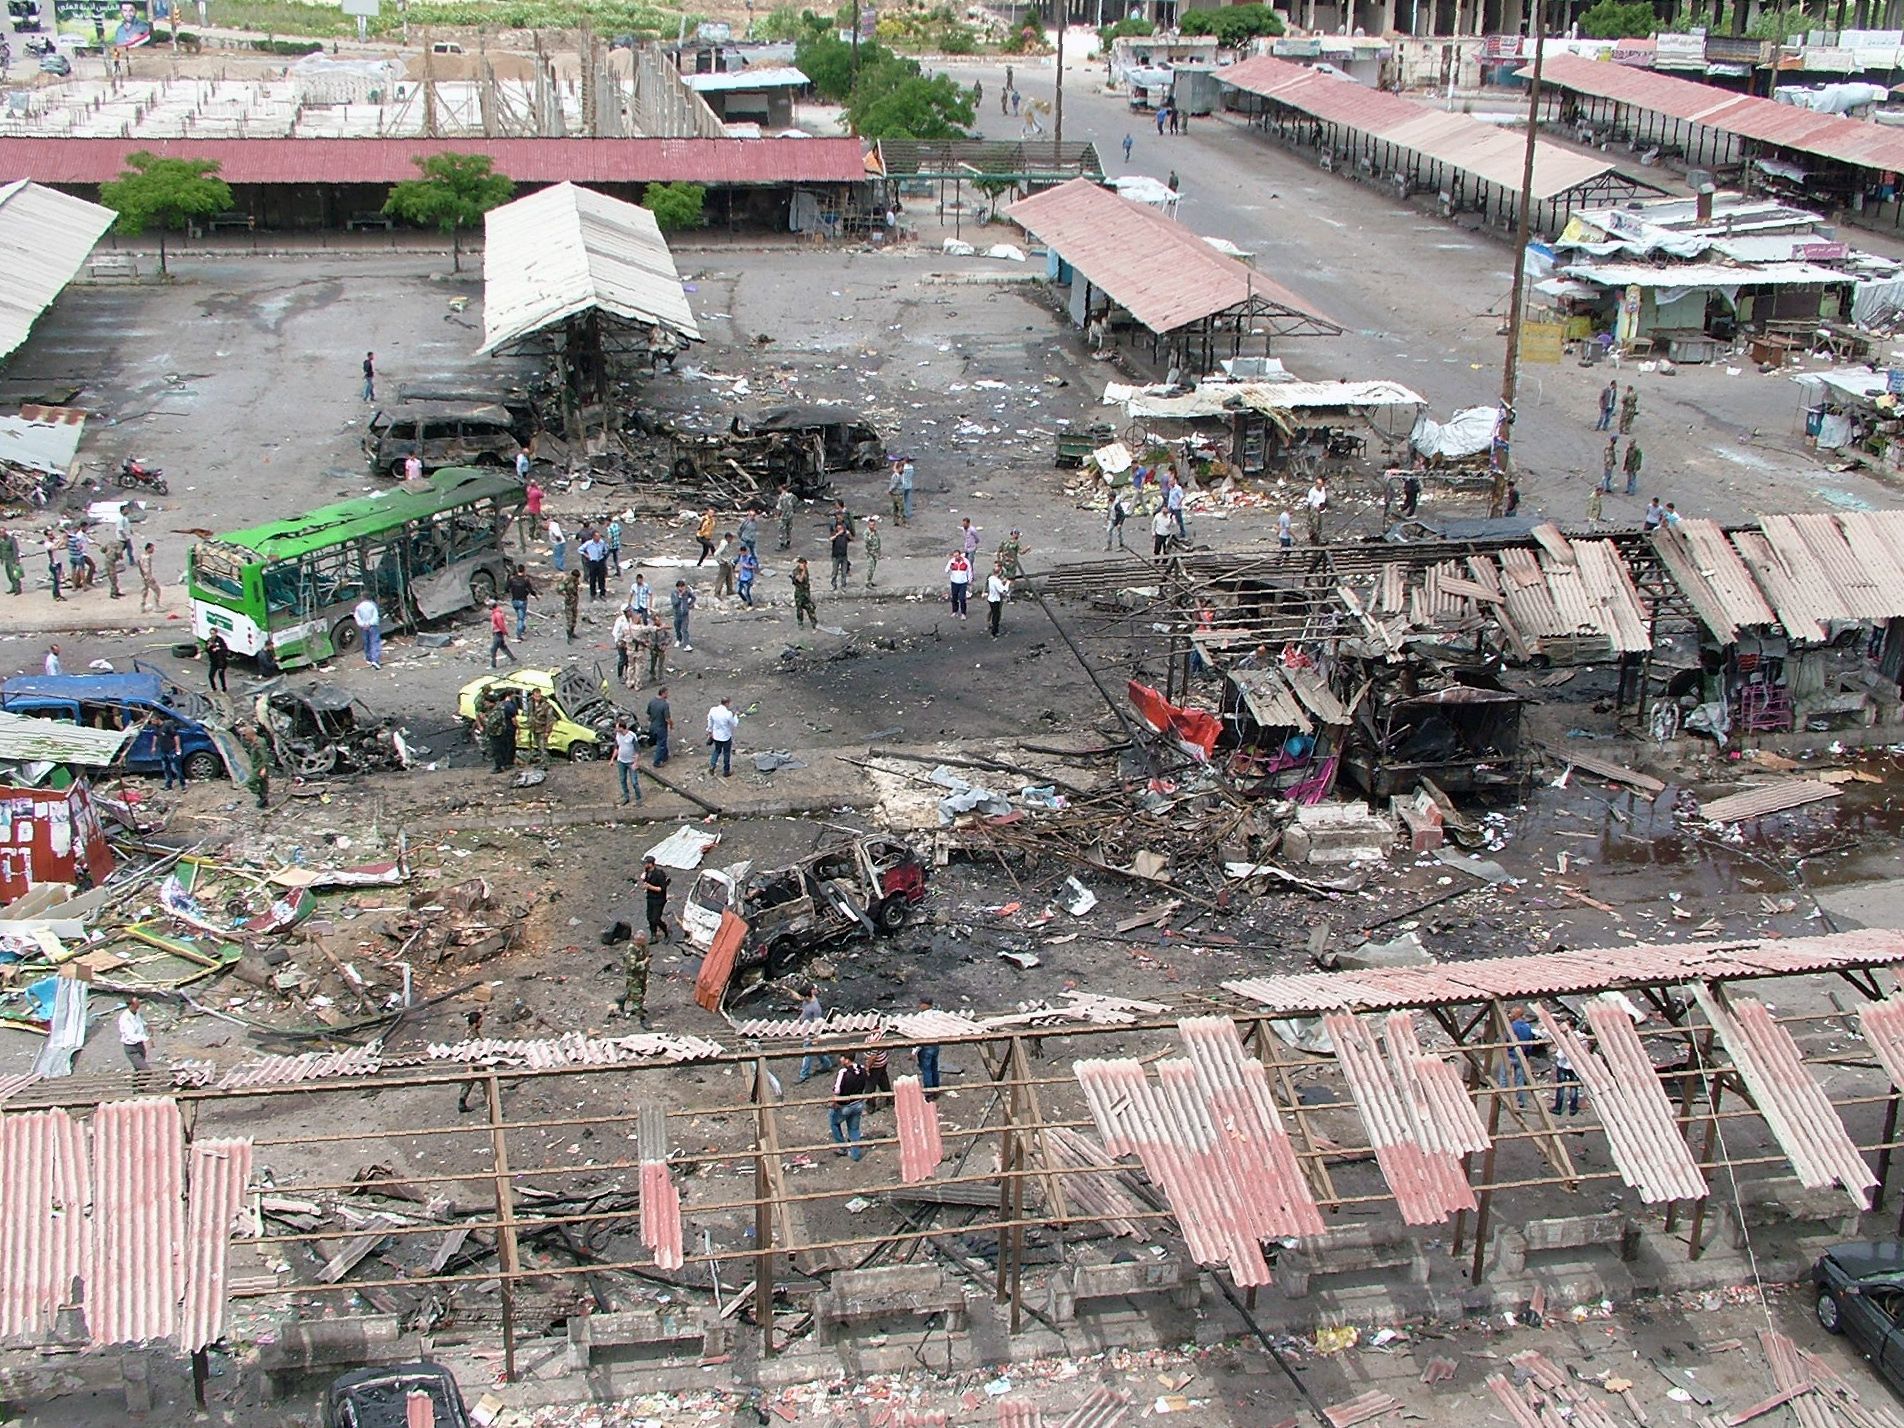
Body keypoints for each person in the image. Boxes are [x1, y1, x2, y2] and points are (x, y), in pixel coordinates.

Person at [830, 1050, 868, 1161]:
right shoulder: (862, 1069)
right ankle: (855, 1155)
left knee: (833, 1122)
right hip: (858, 1103)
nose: (840, 1059)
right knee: (854, 1129)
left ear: (847, 1060)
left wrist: (834, 1102)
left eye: (842, 1057)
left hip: (845, 1106)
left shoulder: (843, 1072)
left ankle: (842, 1148)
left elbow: (837, 1090)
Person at [1501, 1004, 1541, 1108]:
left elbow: (1505, 1040)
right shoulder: (1527, 1027)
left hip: (1510, 1055)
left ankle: (1503, 1100)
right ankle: (1520, 1101)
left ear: (1516, 1015)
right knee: (1519, 1079)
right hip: (1521, 1056)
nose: (1510, 1015)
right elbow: (1529, 1043)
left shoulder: (1511, 1027)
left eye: (1512, 1013)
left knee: (1504, 1078)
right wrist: (1526, 1055)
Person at [797, 984, 832, 1082]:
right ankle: (827, 1064)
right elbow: (804, 1011)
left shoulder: (816, 1007)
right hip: (807, 1028)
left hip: (812, 1031)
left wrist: (816, 1037)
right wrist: (800, 1018)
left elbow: (818, 1023)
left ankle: (803, 1074)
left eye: (804, 997)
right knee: (815, 1050)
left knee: (807, 1053)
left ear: (808, 996)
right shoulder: (806, 1001)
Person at [618, 931, 651, 1024]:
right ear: (637, 941)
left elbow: (646, 954)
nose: (645, 942)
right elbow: (632, 966)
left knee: (642, 990)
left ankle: (622, 999)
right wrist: (644, 962)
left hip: (642, 975)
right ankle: (641, 1017)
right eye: (642, 940)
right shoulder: (631, 951)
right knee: (637, 996)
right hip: (633, 977)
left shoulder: (643, 947)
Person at [1552, 1019, 1583, 1117]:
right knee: (1574, 1087)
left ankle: (1558, 1108)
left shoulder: (1567, 1037)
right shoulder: (1582, 1036)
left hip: (1564, 1065)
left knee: (1561, 1086)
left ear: (1571, 1027)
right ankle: (1573, 1108)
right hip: (1575, 1066)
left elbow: (1560, 1055)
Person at [914, 996, 942, 1099]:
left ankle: (929, 1093)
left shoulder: (920, 1018)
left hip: (925, 1046)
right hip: (935, 1045)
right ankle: (936, 1088)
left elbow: (918, 1034)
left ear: (925, 1005)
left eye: (921, 1003)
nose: (919, 1006)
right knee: (934, 1067)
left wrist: (914, 1051)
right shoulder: (938, 1014)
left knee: (926, 1070)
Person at [640, 855, 671, 942]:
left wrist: (650, 887)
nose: (645, 865)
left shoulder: (659, 874)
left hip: (659, 899)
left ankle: (666, 932)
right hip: (650, 898)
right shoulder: (647, 872)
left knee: (656, 918)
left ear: (651, 864)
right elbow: (646, 882)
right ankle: (653, 934)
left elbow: (662, 889)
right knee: (649, 917)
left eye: (646, 863)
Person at [706, 695, 738, 777]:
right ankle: (726, 771)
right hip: (726, 736)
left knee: (717, 750)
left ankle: (712, 765)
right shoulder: (728, 714)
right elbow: (734, 724)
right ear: (727, 703)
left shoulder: (713, 710)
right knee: (726, 753)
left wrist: (710, 731)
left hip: (716, 735)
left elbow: (710, 721)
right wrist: (735, 716)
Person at [613, 717, 643, 805]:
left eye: (617, 728)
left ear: (622, 728)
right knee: (622, 780)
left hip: (631, 762)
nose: (616, 729)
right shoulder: (618, 735)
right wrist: (612, 759)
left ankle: (638, 798)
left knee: (634, 782)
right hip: (621, 761)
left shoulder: (631, 736)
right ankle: (626, 797)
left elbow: (637, 751)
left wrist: (635, 763)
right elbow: (617, 747)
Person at [118, 995, 151, 1071]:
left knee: (139, 1069)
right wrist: (146, 1039)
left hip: (140, 1046)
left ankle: (137, 1078)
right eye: (136, 1004)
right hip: (132, 1048)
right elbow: (131, 1036)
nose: (138, 1006)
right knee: (146, 1069)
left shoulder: (135, 1012)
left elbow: (139, 1021)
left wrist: (146, 1025)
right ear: (131, 1005)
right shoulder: (125, 1019)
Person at [862, 1032, 892, 1113]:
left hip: (875, 1065)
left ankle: (870, 1106)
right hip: (882, 1061)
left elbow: (873, 1057)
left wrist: (867, 1067)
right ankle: (890, 1097)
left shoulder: (874, 1039)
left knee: (870, 1085)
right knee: (883, 1079)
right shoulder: (881, 1032)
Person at [353, 594, 382, 669]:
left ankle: (368, 658)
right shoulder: (373, 605)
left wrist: (363, 624)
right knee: (374, 642)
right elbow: (375, 616)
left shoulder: (358, 607)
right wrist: (369, 623)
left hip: (363, 627)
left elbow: (357, 617)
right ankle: (375, 660)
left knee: (367, 642)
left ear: (362, 598)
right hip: (373, 626)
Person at [506, 565, 535, 639]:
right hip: (522, 601)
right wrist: (535, 595)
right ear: (524, 570)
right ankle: (519, 633)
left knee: (520, 615)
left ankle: (523, 628)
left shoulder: (512, 579)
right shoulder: (526, 580)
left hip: (514, 601)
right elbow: (531, 590)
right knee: (520, 618)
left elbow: (506, 588)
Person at [646, 685, 672, 766]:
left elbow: (648, 713)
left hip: (653, 726)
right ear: (663, 693)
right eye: (667, 693)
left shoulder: (652, 701)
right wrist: (671, 725)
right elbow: (667, 719)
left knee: (661, 743)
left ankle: (665, 756)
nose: (668, 695)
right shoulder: (665, 705)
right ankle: (657, 762)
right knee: (661, 744)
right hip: (661, 728)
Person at [156, 716, 183, 790]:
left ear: (157, 719)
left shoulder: (167, 726)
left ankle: (183, 785)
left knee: (176, 768)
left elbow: (176, 736)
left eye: (152, 720)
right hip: (163, 751)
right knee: (166, 768)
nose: (151, 722)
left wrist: (177, 747)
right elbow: (156, 736)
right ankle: (168, 785)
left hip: (171, 750)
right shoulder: (157, 728)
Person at [580, 528, 607, 601]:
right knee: (592, 579)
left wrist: (603, 555)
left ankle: (602, 594)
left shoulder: (601, 542)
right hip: (593, 562)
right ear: (593, 537)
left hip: (600, 561)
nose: (599, 538)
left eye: (599, 536)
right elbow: (580, 549)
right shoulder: (589, 543)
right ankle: (593, 594)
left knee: (602, 579)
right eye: (597, 536)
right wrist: (586, 555)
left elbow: (605, 549)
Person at [488, 600, 516, 668]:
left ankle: (493, 665)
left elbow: (501, 625)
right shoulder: (496, 613)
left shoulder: (497, 614)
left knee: (493, 649)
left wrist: (505, 632)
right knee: (503, 646)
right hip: (498, 633)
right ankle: (513, 658)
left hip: (498, 633)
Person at [986, 559, 1010, 638]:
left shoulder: (991, 578)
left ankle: (993, 626)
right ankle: (994, 631)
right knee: (996, 615)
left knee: (995, 612)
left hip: (991, 598)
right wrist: (1007, 583)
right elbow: (1002, 590)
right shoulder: (996, 581)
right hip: (996, 599)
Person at [613, 604, 636, 687]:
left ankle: (628, 674)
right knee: (622, 659)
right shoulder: (620, 620)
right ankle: (620, 675)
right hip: (621, 642)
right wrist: (620, 642)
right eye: (629, 611)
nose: (631, 612)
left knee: (629, 659)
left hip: (629, 641)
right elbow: (615, 633)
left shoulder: (631, 619)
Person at [791, 557, 818, 628]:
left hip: (806, 593)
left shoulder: (806, 570)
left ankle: (814, 622)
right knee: (799, 609)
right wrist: (803, 572)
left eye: (803, 563)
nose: (801, 565)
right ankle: (800, 623)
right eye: (800, 563)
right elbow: (800, 579)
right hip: (799, 593)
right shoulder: (796, 571)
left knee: (810, 607)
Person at [670, 579, 696, 651]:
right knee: (677, 628)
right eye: (679, 587)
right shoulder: (674, 594)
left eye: (682, 586)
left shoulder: (687, 592)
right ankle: (679, 639)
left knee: (684, 629)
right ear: (677, 587)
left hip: (685, 614)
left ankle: (687, 644)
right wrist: (680, 596)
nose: (681, 588)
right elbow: (674, 603)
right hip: (677, 614)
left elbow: (693, 597)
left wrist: (689, 604)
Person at [646, 611, 670, 686]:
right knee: (653, 662)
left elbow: (669, 637)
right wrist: (648, 644)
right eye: (656, 620)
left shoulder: (663, 627)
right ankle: (652, 675)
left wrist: (665, 644)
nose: (659, 621)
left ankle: (661, 677)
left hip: (661, 647)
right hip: (653, 647)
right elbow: (646, 636)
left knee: (661, 664)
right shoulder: (651, 628)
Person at [828, 520, 853, 592]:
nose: (840, 529)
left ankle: (843, 585)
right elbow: (830, 539)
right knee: (834, 572)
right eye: (838, 528)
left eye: (841, 528)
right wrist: (837, 534)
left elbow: (851, 539)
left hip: (844, 556)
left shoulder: (845, 534)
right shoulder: (834, 534)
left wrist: (849, 534)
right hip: (836, 556)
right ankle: (833, 585)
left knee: (844, 572)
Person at [946, 550, 972, 617]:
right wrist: (949, 568)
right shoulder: (951, 561)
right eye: (955, 556)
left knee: (962, 598)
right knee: (954, 598)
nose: (956, 557)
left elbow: (969, 570)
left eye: (957, 556)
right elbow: (946, 570)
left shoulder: (966, 561)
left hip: (963, 583)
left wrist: (970, 579)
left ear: (960, 555)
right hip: (954, 582)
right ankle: (955, 611)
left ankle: (963, 613)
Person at [523, 479, 545, 548]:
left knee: (531, 524)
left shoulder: (528, 490)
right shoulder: (536, 492)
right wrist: (539, 489)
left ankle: (530, 536)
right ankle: (537, 537)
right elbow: (542, 495)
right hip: (536, 510)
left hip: (529, 509)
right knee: (538, 524)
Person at [714, 533, 737, 598]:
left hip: (728, 563)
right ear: (728, 538)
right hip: (724, 564)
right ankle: (717, 592)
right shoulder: (723, 544)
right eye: (731, 538)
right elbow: (716, 554)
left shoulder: (727, 544)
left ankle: (729, 590)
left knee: (729, 578)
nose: (731, 540)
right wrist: (722, 560)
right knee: (721, 578)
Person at [775, 483, 797, 550]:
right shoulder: (791, 496)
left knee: (782, 530)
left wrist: (777, 515)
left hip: (783, 516)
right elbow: (795, 502)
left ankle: (781, 544)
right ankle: (788, 542)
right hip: (790, 515)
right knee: (789, 529)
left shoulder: (781, 497)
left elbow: (779, 508)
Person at [562, 567, 581, 641]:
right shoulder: (567, 581)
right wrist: (565, 595)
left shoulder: (575, 580)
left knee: (574, 618)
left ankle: (572, 632)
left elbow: (576, 587)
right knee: (569, 620)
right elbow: (559, 589)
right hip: (569, 603)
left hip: (575, 601)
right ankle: (569, 636)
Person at [0, 528, 21, 596]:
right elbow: (1, 549)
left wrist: (16, 559)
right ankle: (13, 587)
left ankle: (18, 589)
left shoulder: (11, 539)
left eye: (2, 532)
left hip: (12, 559)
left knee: (14, 575)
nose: (1, 534)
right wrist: (1, 558)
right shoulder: (1, 540)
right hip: (6, 559)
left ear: (5, 532)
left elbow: (15, 549)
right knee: (9, 575)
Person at [863, 515, 882, 587]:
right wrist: (871, 535)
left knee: (873, 568)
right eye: (871, 525)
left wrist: (879, 551)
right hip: (870, 553)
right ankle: (867, 582)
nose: (872, 526)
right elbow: (867, 541)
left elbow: (878, 541)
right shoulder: (867, 532)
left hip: (875, 552)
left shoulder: (875, 531)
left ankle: (870, 581)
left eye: (873, 525)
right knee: (870, 568)